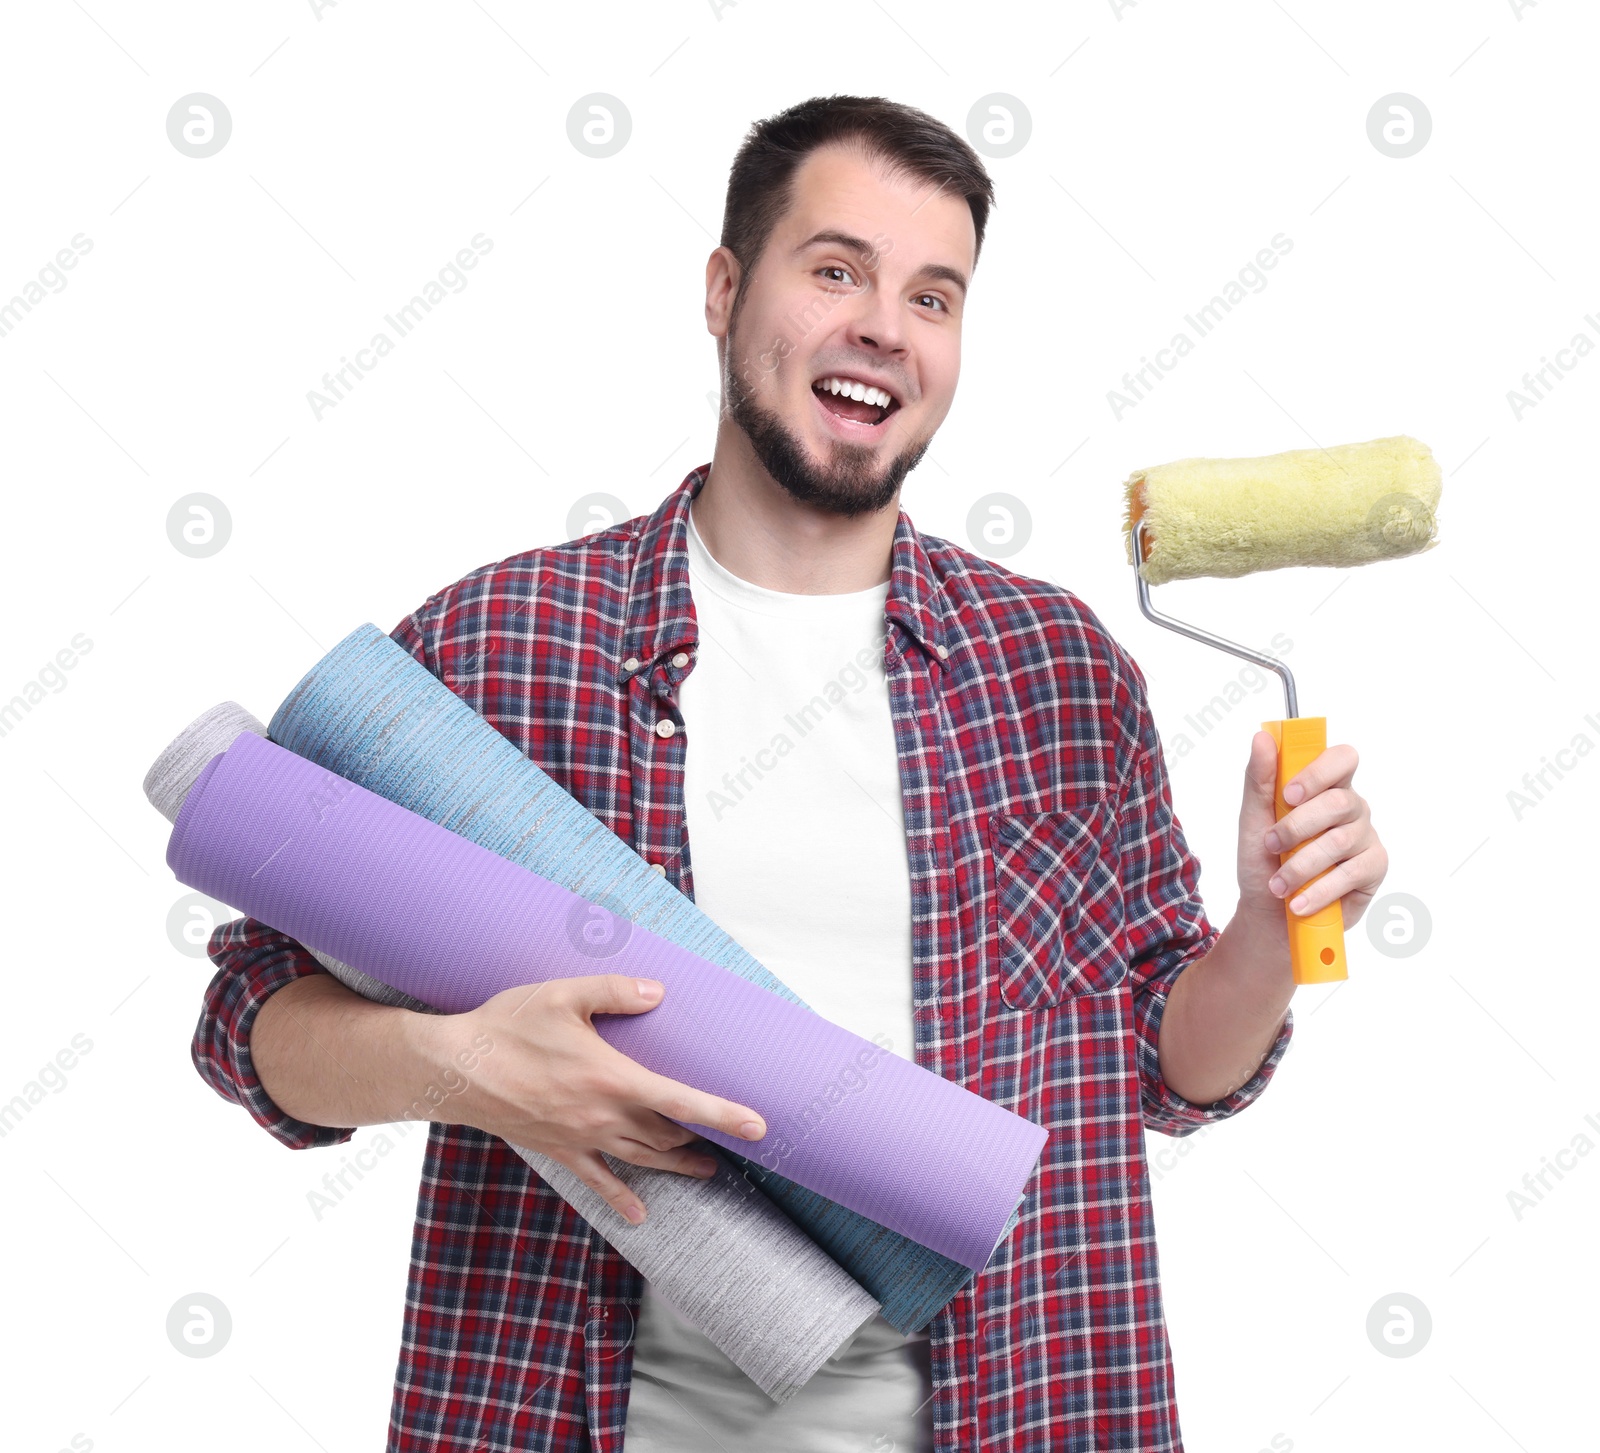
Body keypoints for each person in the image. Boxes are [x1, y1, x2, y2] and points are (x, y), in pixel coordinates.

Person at [193, 94, 1389, 1451]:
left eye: (933, 295)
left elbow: (1167, 1064)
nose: (887, 322)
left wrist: (1273, 932)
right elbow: (250, 1018)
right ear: (721, 290)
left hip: (1025, 1407)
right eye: (837, 271)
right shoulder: (497, 650)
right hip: (571, 1412)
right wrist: (460, 1067)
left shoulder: (1059, 670)